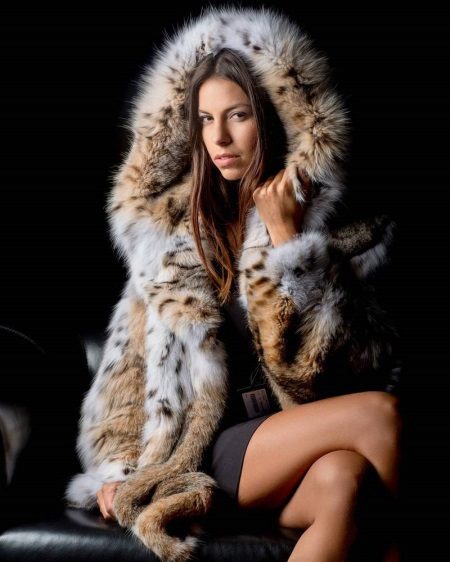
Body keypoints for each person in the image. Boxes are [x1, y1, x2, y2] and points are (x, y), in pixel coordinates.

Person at [66, 7, 403, 562]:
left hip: (293, 440)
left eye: (238, 115)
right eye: (205, 119)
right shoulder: (171, 241)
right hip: (204, 452)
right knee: (380, 416)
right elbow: (128, 372)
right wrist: (119, 470)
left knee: (344, 480)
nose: (219, 137)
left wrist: (290, 246)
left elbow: (321, 376)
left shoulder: (339, 236)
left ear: (270, 118)